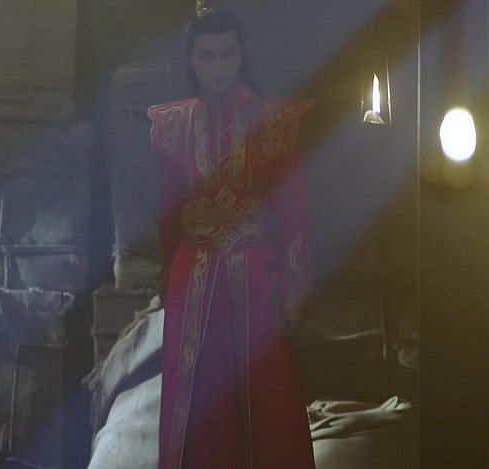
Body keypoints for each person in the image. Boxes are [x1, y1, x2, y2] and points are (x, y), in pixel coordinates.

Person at [147, 6, 316, 468]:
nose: (218, 67)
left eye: (228, 54)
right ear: (191, 60)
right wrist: (166, 280)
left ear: (242, 56)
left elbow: (294, 208)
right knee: (197, 397)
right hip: (192, 275)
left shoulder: (274, 121)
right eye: (207, 56)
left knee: (266, 390)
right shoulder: (172, 125)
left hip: (257, 273)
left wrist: (296, 287)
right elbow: (167, 213)